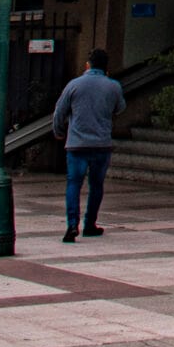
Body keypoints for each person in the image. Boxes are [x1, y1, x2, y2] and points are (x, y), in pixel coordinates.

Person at [50, 48, 126, 242]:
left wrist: (59, 131)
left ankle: (72, 224)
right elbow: (120, 108)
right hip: (101, 144)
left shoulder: (74, 85)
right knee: (96, 185)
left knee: (74, 184)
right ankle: (90, 223)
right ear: (106, 67)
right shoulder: (113, 86)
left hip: (77, 144)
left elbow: (60, 111)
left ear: (87, 65)